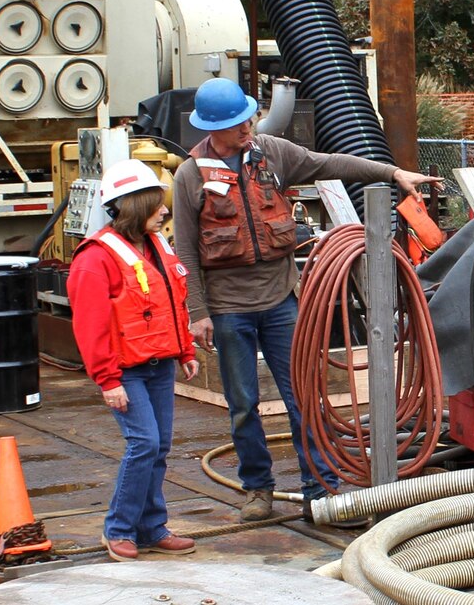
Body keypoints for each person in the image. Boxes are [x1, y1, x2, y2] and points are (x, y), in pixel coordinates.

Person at [172, 77, 441, 523]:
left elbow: (331, 162)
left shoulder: (272, 154)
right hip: (227, 309)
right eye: (238, 123)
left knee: (304, 399)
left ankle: (321, 490)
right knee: (242, 406)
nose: (247, 128)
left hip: (280, 301)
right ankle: (258, 489)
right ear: (212, 128)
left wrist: (393, 173)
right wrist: (197, 313)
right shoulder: (190, 175)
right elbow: (185, 249)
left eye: (249, 118)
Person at [67, 158, 200, 562]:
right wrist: (107, 380)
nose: (164, 211)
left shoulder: (156, 247)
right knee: (143, 444)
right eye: (156, 204)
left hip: (159, 365)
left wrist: (185, 351)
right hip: (126, 370)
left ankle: (151, 526)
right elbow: (90, 326)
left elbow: (173, 302)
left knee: (159, 447)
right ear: (134, 206)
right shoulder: (95, 259)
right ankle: (120, 529)